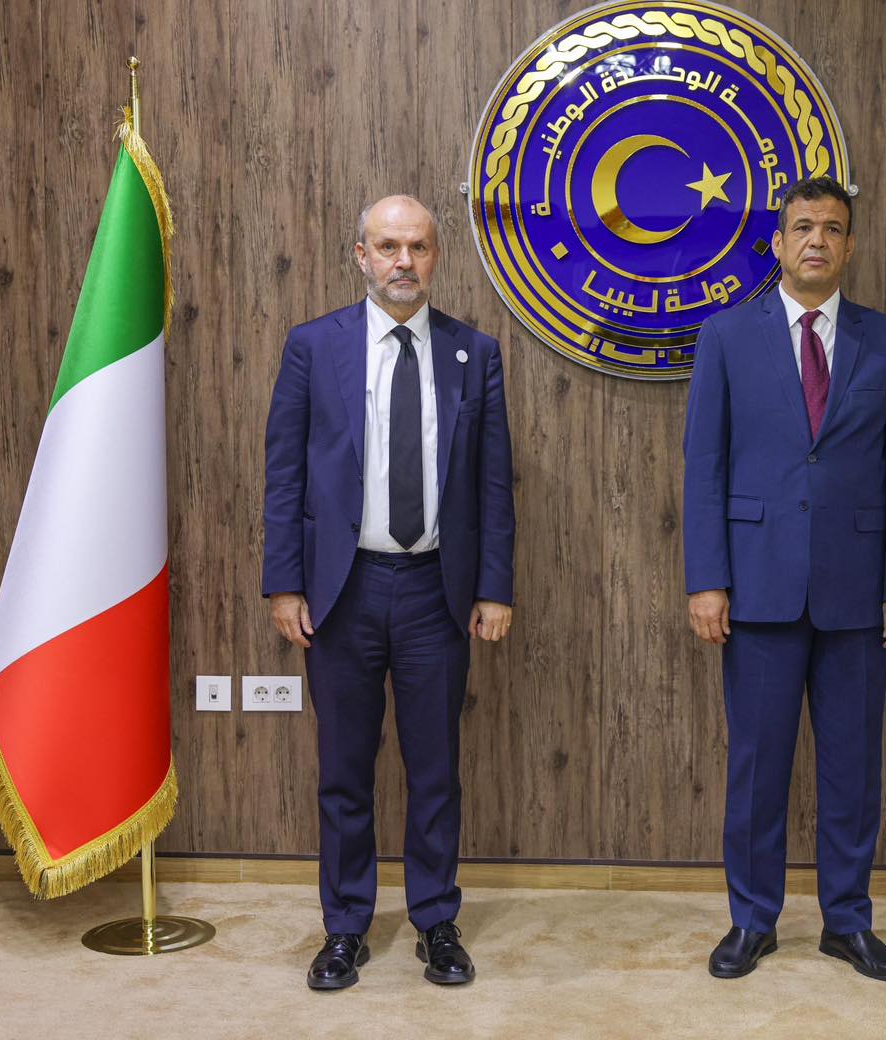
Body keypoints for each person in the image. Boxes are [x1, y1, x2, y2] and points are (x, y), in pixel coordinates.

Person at [262, 195, 515, 990]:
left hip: (437, 591)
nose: (404, 261)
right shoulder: (313, 347)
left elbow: (494, 484)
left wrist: (494, 587)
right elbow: (284, 475)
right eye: (388, 246)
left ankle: (436, 920)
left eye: (419, 246)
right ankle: (345, 927)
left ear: (437, 257)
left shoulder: (475, 353)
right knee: (344, 768)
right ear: (361, 256)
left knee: (435, 767)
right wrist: (284, 583)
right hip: (344, 590)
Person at [682, 176, 886, 982]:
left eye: (833, 228)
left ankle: (847, 922)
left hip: (859, 593)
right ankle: (752, 921)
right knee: (758, 767)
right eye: (803, 227)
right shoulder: (725, 337)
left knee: (853, 769)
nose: (817, 239)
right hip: (756, 589)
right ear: (778, 243)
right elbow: (704, 467)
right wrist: (706, 580)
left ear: (849, 246)